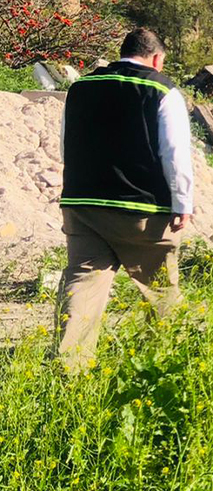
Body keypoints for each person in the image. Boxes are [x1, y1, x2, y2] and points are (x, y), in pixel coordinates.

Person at [55, 27, 194, 370]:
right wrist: (183, 202)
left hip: (82, 204)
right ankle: (164, 365)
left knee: (83, 283)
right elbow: (174, 153)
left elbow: (65, 143)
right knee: (160, 291)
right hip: (141, 209)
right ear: (157, 58)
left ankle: (68, 368)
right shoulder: (162, 89)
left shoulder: (80, 87)